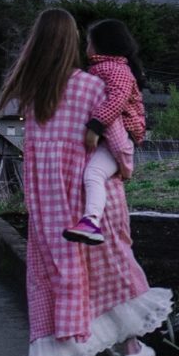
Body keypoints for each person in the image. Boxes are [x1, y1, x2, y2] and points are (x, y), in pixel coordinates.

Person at [0, 9, 171, 356]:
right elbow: (119, 144)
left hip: (49, 206)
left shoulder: (32, 94)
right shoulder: (91, 88)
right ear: (72, 43)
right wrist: (125, 166)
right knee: (112, 272)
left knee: (50, 283)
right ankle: (131, 349)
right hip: (94, 203)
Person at [62, 19, 146, 246]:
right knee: (92, 174)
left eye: (89, 42)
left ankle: (91, 222)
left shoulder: (117, 70)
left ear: (101, 45)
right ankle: (92, 223)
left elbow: (116, 100)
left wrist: (95, 126)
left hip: (122, 136)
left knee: (93, 174)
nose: (85, 48)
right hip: (116, 137)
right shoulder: (107, 68)